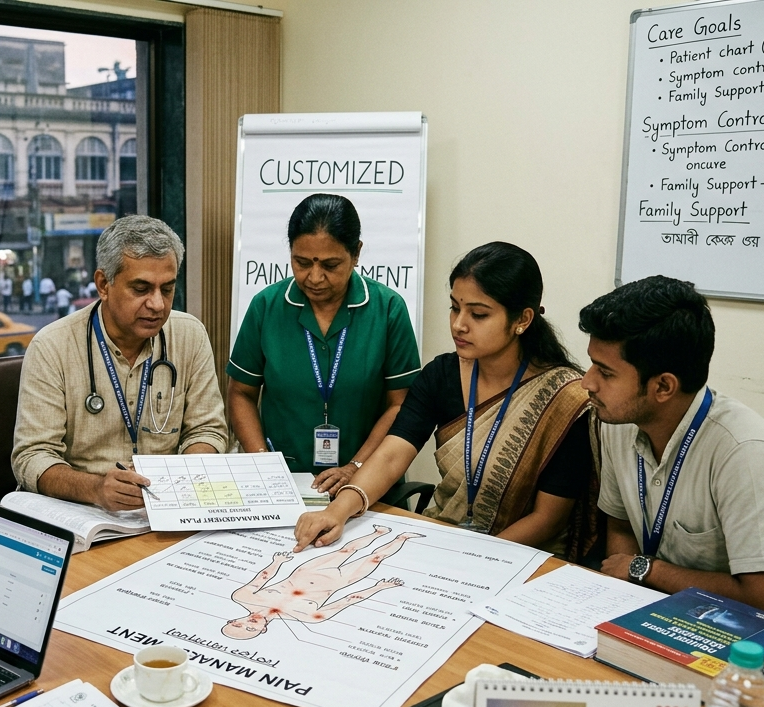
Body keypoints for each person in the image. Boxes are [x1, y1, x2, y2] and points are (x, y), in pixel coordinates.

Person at [294, 243, 598, 561]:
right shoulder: (442, 374)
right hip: (447, 537)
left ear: (522, 319)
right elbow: (392, 455)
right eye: (454, 308)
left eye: (478, 314)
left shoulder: (564, 400)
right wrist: (338, 511)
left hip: (521, 557)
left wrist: (475, 559)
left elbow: (548, 519)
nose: (458, 324)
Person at [580, 276, 764, 640]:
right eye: (592, 364)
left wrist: (645, 569)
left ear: (663, 386)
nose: (587, 382)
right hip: (675, 614)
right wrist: (626, 600)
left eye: (605, 372)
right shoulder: (618, 421)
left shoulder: (745, 453)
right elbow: (622, 524)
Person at [12, 215, 228, 511]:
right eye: (141, 289)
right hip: (83, 507)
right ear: (104, 284)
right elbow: (33, 456)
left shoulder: (189, 334)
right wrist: (96, 489)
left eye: (167, 289)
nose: (157, 304)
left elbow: (208, 430)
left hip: (166, 504)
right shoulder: (53, 346)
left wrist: (182, 477)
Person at [228, 194, 421, 497]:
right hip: (284, 484)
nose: (315, 278)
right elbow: (241, 393)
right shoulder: (266, 306)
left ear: (356, 253)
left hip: (368, 484)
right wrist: (263, 462)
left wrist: (356, 467)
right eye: (302, 263)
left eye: (331, 265)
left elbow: (400, 404)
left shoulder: (387, 310)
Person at [222, 524, 419, 640]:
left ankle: (378, 533)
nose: (248, 624)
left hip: (308, 571)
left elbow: (262, 578)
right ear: (262, 630)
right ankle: (402, 537)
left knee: (346, 550)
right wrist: (378, 587)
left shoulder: (242, 597)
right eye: (251, 629)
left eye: (239, 625)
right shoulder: (308, 617)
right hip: (339, 581)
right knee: (375, 558)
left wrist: (277, 562)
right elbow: (347, 601)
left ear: (233, 620)